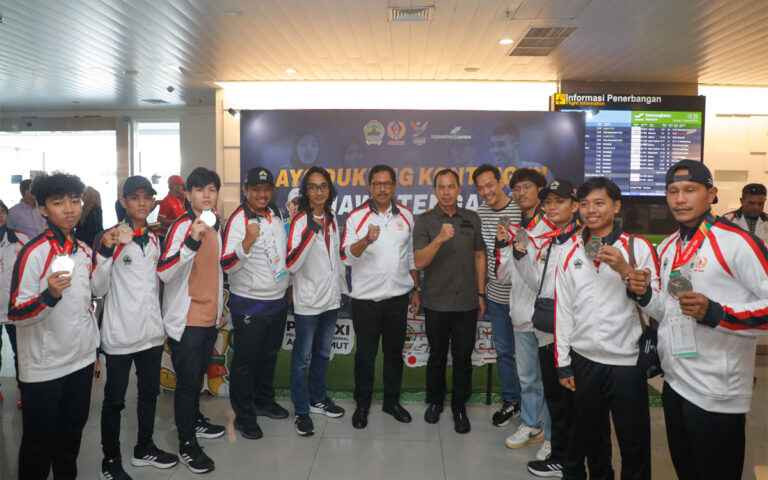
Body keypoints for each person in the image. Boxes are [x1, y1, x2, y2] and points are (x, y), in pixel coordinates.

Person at [634, 160, 768, 479]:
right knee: (687, 471)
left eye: (689, 190)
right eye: (672, 191)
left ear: (711, 194)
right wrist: (644, 294)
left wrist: (717, 313)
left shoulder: (737, 242)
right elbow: (668, 312)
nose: (680, 199)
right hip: (675, 382)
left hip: (717, 391)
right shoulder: (670, 246)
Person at [555, 177, 656, 479]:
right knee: (592, 441)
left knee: (634, 441)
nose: (591, 210)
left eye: (599, 203)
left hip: (626, 361)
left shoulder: (637, 247)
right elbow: (563, 310)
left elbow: (655, 304)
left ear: (616, 206)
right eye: (585, 204)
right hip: (584, 360)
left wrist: (624, 269)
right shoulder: (569, 250)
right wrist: (563, 362)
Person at [8, 172, 101, 480]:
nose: (69, 209)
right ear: (43, 209)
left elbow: (87, 305)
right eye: (59, 203)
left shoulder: (83, 250)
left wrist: (93, 353)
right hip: (44, 369)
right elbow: (16, 312)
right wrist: (48, 296)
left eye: (75, 201)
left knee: (70, 439)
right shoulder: (33, 253)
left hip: (80, 362)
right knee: (38, 446)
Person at [91, 176, 178, 480]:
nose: (142, 203)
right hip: (120, 336)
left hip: (151, 334)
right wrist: (106, 250)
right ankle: (111, 460)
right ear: (124, 202)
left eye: (146, 197)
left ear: (153, 202)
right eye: (135, 197)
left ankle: (144, 447)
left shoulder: (154, 238)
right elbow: (97, 287)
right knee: (114, 401)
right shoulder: (110, 237)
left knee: (149, 395)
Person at [508, 178, 595, 477]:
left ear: (575, 206)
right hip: (547, 330)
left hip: (572, 335)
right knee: (557, 401)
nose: (551, 207)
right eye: (548, 202)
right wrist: (521, 259)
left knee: (571, 403)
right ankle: (560, 457)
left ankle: (571, 461)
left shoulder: (584, 240)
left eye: (559, 201)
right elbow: (540, 284)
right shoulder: (552, 240)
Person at [341, 165, 420, 429]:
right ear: (370, 186)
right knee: (365, 356)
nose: (382, 189)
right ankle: (362, 405)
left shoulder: (406, 216)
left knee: (394, 354)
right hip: (365, 301)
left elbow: (411, 257)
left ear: (394, 186)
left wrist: (416, 289)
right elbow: (347, 257)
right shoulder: (356, 217)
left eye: (387, 184)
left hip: (397, 298)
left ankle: (391, 402)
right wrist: (365, 240)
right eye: (377, 184)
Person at [157, 167, 226, 474]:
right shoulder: (182, 226)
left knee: (197, 379)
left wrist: (218, 309)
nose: (206, 195)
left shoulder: (216, 225)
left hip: (209, 317)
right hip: (187, 320)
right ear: (188, 194)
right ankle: (187, 444)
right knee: (187, 385)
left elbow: (215, 271)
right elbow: (165, 272)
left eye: (212, 189)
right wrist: (191, 241)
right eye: (200, 190)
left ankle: (195, 421)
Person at [413, 169, 486, 434]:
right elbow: (419, 261)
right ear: (434, 191)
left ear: (459, 189)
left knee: (463, 358)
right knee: (436, 356)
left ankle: (459, 407)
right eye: (441, 187)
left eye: (451, 187)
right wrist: (440, 238)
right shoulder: (425, 221)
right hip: (437, 302)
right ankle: (435, 403)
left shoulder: (471, 218)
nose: (446, 192)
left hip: (467, 302)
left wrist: (480, 294)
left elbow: (479, 256)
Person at [221, 167, 291, 440]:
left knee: (268, 357)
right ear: (245, 190)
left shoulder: (275, 213)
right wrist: (246, 242)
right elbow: (227, 264)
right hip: (250, 302)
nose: (262, 194)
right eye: (256, 189)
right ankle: (243, 417)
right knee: (245, 363)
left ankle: (264, 402)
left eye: (266, 189)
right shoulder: (238, 220)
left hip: (277, 301)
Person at [494, 168, 552, 460]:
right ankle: (532, 424)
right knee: (528, 378)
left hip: (547, 319)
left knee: (551, 381)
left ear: (540, 189)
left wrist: (522, 257)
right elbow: (504, 276)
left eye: (526, 187)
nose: (520, 193)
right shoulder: (517, 229)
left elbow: (544, 281)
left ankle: (553, 437)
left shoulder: (553, 228)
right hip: (520, 316)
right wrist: (503, 246)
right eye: (516, 189)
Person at [285, 166, 348, 436]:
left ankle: (318, 399)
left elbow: (336, 260)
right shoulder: (301, 221)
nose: (319, 191)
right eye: (313, 187)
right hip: (308, 302)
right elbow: (291, 264)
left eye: (323, 186)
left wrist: (341, 290)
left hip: (331, 299)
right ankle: (301, 411)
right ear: (306, 191)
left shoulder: (331, 218)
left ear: (329, 190)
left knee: (323, 354)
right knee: (302, 359)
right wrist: (311, 231)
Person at [472, 164, 523, 427]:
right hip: (495, 295)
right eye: (480, 188)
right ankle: (511, 401)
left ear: (500, 182)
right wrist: (481, 293)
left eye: (490, 185)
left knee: (527, 355)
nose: (486, 192)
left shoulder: (520, 209)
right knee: (503, 353)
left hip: (523, 296)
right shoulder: (480, 213)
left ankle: (532, 406)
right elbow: (480, 256)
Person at [0, 200, 29, 406]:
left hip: (14, 307)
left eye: (2, 211)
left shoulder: (20, 239)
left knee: (21, 352)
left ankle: (24, 391)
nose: (0, 215)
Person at [489, 122, 554, 182]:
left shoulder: (539, 170)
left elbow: (554, 187)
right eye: (493, 145)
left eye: (501, 145)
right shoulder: (492, 177)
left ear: (516, 146)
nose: (495, 150)